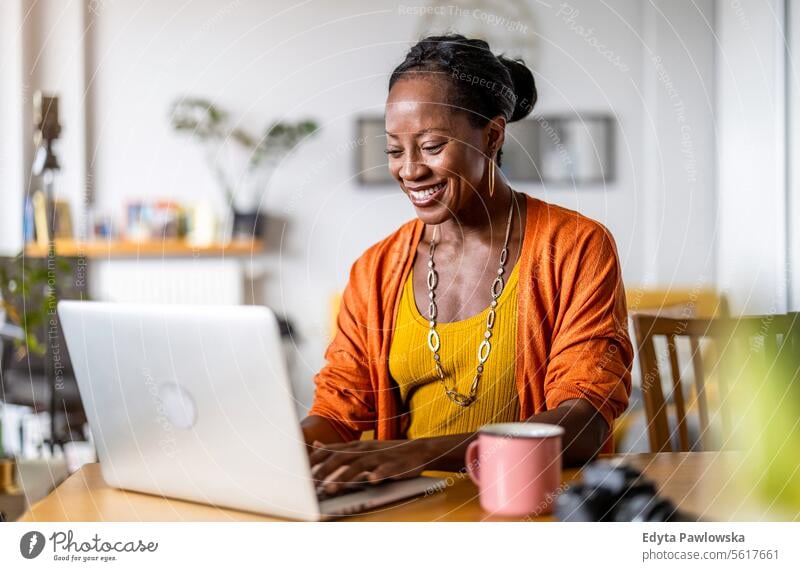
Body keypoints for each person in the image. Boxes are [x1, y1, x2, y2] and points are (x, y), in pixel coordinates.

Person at [303, 34, 633, 493]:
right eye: (395, 151)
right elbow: (338, 411)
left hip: (531, 506)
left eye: (432, 146)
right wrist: (283, 449)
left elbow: (584, 421)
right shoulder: (375, 270)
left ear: (493, 135)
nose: (410, 170)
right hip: (410, 511)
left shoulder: (575, 247)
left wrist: (422, 452)